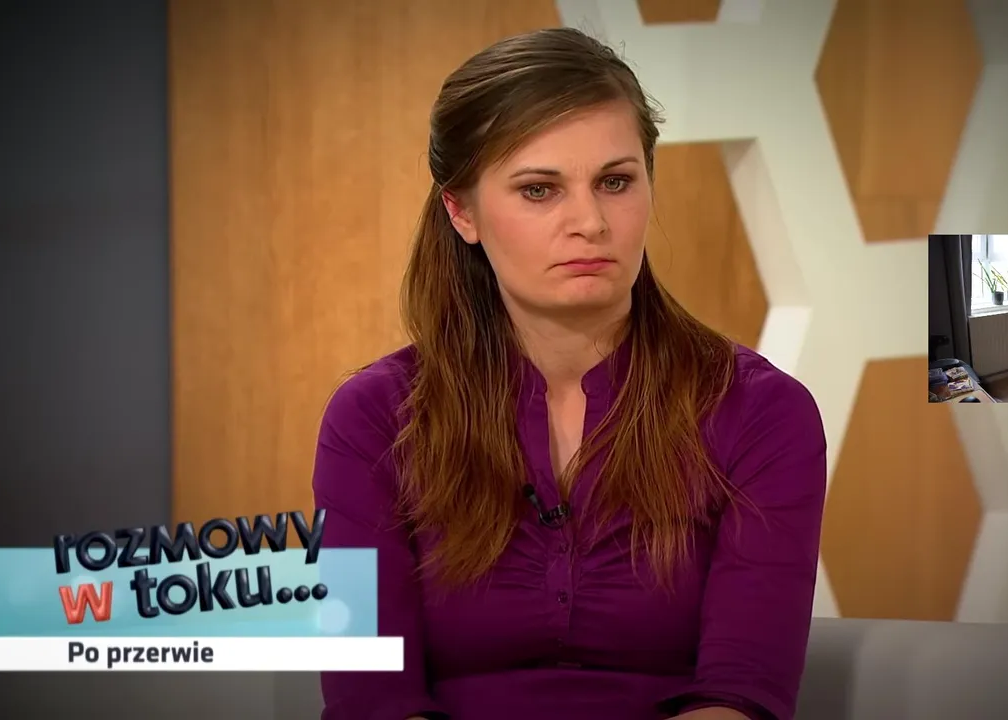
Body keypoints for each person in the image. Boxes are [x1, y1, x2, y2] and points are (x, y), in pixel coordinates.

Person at [311, 27, 827, 720]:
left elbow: (744, 693)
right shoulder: (372, 419)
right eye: (539, 189)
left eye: (615, 182)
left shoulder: (762, 412)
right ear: (462, 212)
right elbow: (371, 697)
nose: (590, 222)